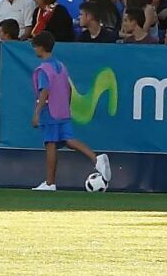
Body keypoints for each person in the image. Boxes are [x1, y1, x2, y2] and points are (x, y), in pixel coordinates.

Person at [28, 28, 109, 193]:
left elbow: (45, 90)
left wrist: (37, 112)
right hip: (63, 110)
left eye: (35, 47)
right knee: (69, 140)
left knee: (50, 145)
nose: (34, 49)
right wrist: (66, 105)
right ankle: (96, 158)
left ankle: (50, 183)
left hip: (50, 112)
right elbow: (69, 88)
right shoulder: (61, 66)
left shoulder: (43, 69)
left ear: (41, 48)